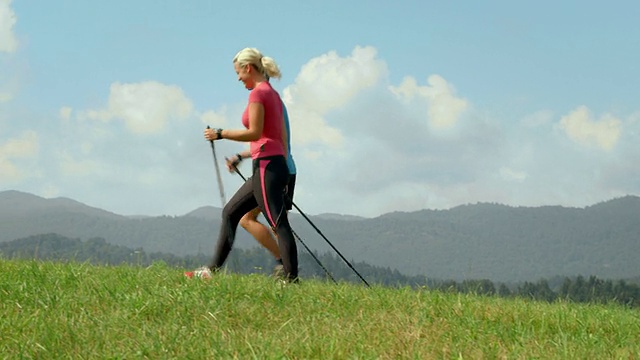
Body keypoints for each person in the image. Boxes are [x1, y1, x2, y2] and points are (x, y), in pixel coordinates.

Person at [188, 48, 298, 282]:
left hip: (268, 166)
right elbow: (276, 138)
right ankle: (211, 272)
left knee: (278, 223)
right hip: (269, 164)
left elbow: (254, 132)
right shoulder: (273, 94)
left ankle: (290, 279)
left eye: (238, 72)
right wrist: (244, 156)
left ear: (248, 68)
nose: (238, 78)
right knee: (231, 213)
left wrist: (221, 133)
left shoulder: (259, 94)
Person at [230, 101, 296, 276]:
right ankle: (286, 268)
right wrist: (240, 156)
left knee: (264, 222)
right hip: (282, 169)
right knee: (276, 225)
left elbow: (269, 143)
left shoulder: (269, 104)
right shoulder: (275, 103)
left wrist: (239, 155)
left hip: (273, 170)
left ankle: (285, 266)